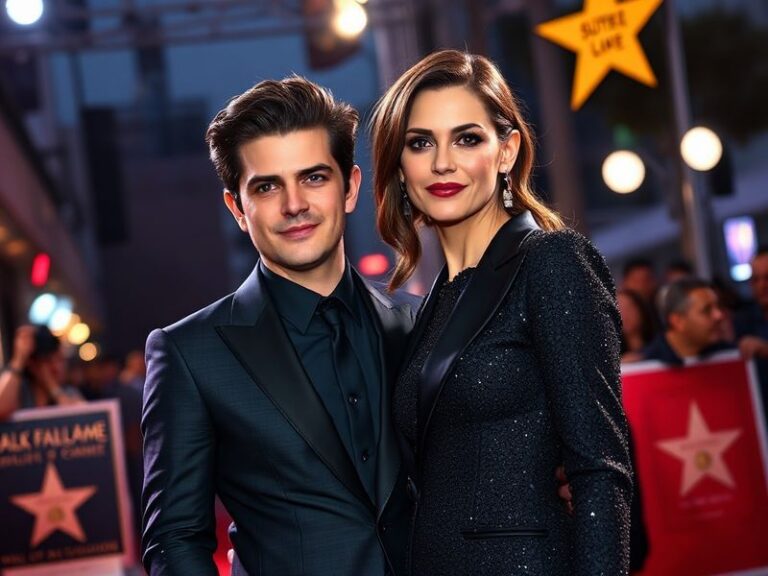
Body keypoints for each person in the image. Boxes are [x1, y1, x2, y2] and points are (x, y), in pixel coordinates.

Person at [140, 76, 421, 576]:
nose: (294, 204)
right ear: (237, 209)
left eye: (314, 177)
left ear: (350, 187)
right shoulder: (190, 354)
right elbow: (174, 540)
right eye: (267, 186)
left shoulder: (418, 324)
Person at [370, 49, 632, 575]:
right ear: (400, 164)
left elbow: (600, 469)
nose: (442, 163)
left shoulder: (553, 263)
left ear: (507, 150)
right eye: (421, 143)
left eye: (467, 139)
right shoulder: (435, 302)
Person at [0, 324, 83, 420]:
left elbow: (81, 419)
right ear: (32, 365)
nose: (57, 367)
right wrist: (18, 360)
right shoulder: (20, 392)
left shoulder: (69, 392)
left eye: (60, 360)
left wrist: (52, 387)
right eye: (48, 361)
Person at [642, 277, 732, 364]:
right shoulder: (643, 364)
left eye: (719, 307)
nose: (719, 315)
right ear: (678, 321)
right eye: (706, 310)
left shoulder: (730, 354)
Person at [617, 289, 657, 363]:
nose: (624, 315)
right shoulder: (608, 354)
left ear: (640, 309)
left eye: (629, 308)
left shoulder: (661, 343)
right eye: (619, 310)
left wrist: (643, 356)